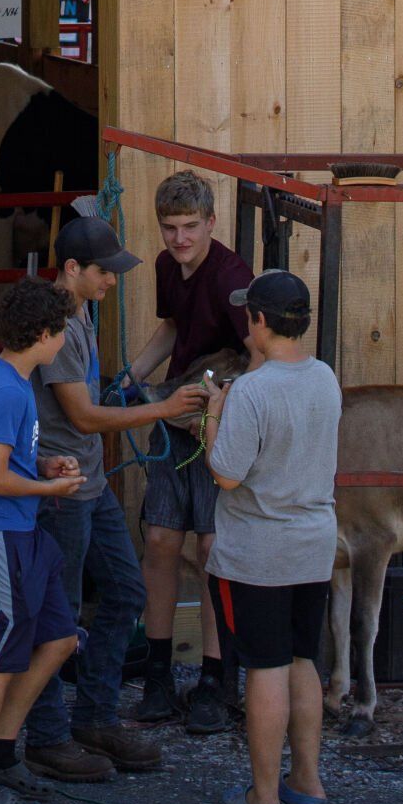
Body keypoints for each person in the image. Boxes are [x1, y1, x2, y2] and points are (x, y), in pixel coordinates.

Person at [18, 217, 207, 781]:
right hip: (65, 487)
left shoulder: (78, 313)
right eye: (105, 272)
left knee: (126, 593)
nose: (112, 282)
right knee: (61, 612)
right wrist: (163, 409)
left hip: (89, 484)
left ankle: (93, 716)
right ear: (73, 269)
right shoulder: (55, 321)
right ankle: (48, 735)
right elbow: (81, 416)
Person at [202, 270, 342, 804]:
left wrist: (214, 415)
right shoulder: (326, 378)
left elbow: (227, 475)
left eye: (248, 315)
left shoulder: (251, 391)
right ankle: (306, 778)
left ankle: (263, 796)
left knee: (265, 666)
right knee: (303, 658)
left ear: (259, 321)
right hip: (313, 544)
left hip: (258, 551)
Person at [0, 277, 82, 804]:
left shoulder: (9, 380)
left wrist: (43, 466)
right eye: (63, 333)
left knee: (58, 639)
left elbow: (5, 464)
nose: (64, 342)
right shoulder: (8, 390)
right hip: (2, 533)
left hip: (21, 532)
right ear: (46, 335)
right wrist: (49, 488)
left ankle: (3, 753)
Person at [125, 169, 250, 729]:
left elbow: (259, 356)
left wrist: (221, 417)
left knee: (211, 550)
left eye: (191, 227)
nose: (180, 239)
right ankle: (156, 677)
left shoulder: (231, 276)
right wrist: (131, 376)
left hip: (214, 420)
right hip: (173, 410)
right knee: (158, 540)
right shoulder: (165, 267)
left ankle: (215, 682)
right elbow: (174, 328)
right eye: (170, 228)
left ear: (212, 223)